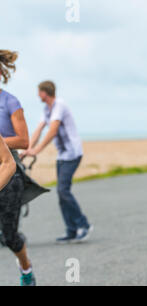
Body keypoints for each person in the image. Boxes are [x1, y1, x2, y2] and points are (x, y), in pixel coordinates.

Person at [22, 81, 92, 243]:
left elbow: (53, 130)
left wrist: (37, 150)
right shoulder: (47, 109)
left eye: (39, 92)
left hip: (72, 154)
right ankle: (71, 230)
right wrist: (28, 148)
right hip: (62, 155)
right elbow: (39, 129)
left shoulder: (59, 105)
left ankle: (84, 225)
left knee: (63, 190)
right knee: (61, 193)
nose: (38, 95)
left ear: (45, 92)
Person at [0, 49, 36, 286]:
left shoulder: (10, 102)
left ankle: (26, 270)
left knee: (9, 236)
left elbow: (24, 140)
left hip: (9, 171)